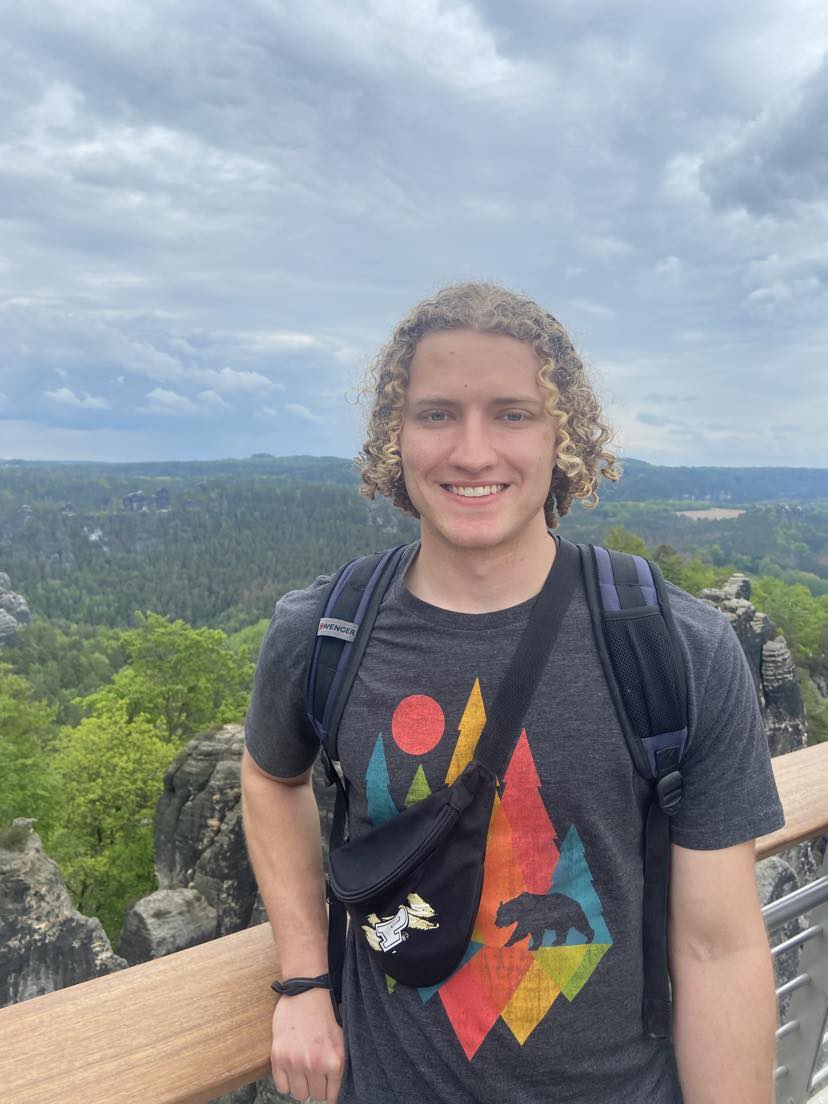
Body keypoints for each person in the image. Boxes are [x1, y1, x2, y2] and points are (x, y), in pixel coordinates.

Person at [242, 282, 784, 1104]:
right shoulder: (323, 634)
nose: (472, 452)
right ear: (395, 436)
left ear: (563, 437)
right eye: (436, 414)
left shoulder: (677, 651)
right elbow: (269, 777)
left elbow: (720, 950)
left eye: (512, 414)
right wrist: (304, 979)